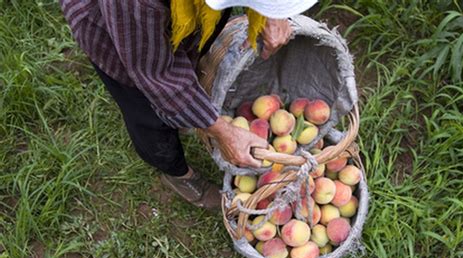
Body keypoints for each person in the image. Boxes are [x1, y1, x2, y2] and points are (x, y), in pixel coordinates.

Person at [59, 0, 318, 210]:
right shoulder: (136, 5)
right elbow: (157, 76)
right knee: (147, 107)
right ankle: (176, 173)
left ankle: (185, 107)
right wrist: (222, 131)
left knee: (187, 61)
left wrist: (272, 11)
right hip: (117, 30)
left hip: (178, 14)